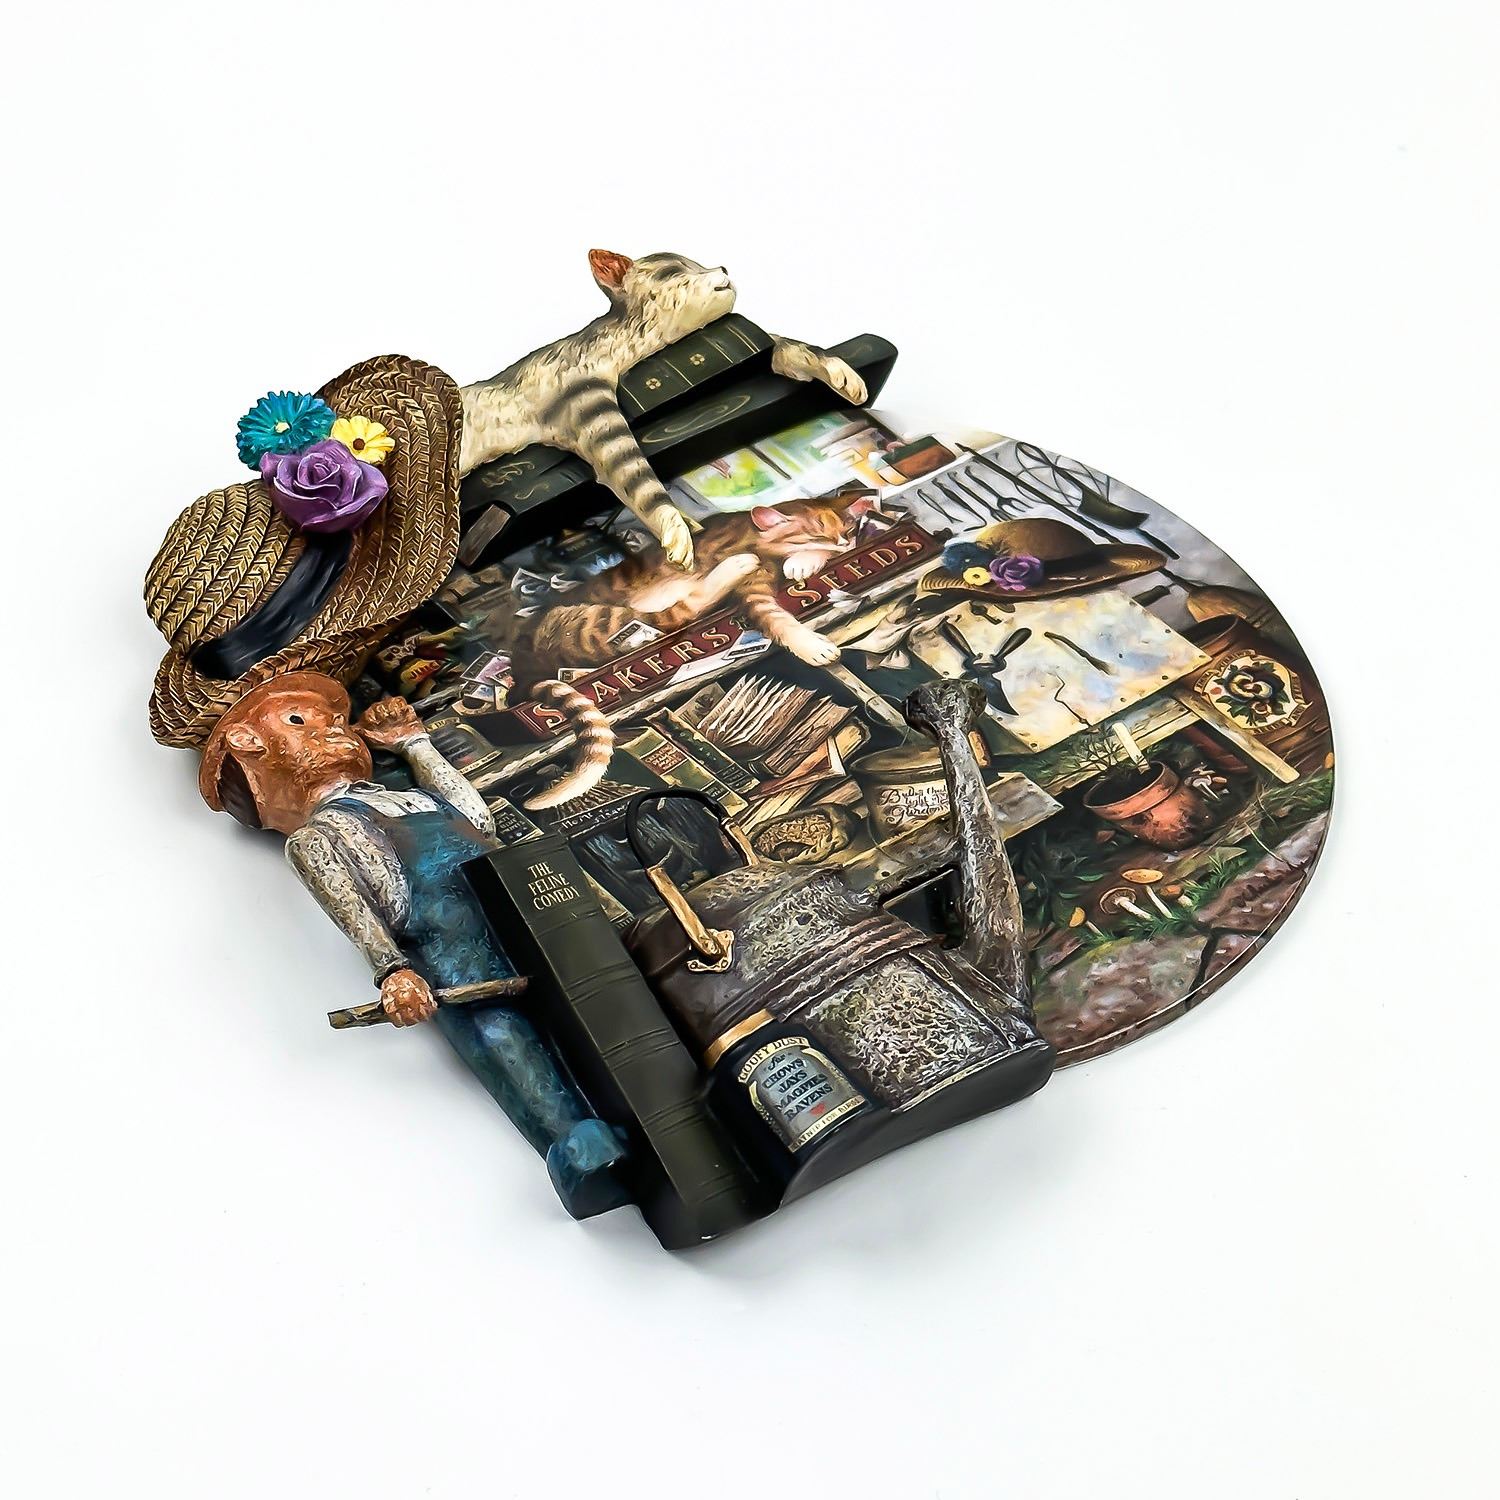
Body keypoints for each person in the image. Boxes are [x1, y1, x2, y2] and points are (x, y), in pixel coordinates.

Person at [198, 670, 628, 1219]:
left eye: (336, 719)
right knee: (503, 1033)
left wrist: (413, 744)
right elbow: (356, 914)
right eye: (301, 722)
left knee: (598, 1005)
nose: (334, 728)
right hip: (458, 956)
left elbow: (478, 820)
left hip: (528, 916)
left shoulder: (408, 796)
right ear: (248, 745)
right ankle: (576, 1146)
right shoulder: (318, 837)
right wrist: (394, 972)